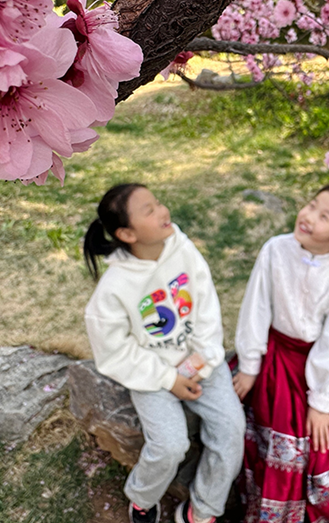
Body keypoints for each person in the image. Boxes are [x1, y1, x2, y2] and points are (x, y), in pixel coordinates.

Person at [84, 183, 245, 523]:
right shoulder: (113, 289)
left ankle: (203, 510)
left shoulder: (181, 247)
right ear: (127, 234)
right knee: (170, 446)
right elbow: (114, 351)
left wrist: (202, 360)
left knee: (231, 430)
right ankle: (142, 499)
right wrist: (169, 379)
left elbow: (206, 303)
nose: (163, 211)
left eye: (158, 203)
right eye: (150, 210)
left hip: (202, 361)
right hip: (152, 375)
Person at [232, 184, 329, 523]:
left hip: (314, 367)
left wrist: (321, 402)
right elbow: (256, 308)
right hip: (273, 357)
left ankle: (300, 502)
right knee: (260, 429)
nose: (308, 216)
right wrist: (249, 364)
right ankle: (264, 498)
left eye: (324, 216)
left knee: (316, 444)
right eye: (312, 204)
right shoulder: (275, 250)